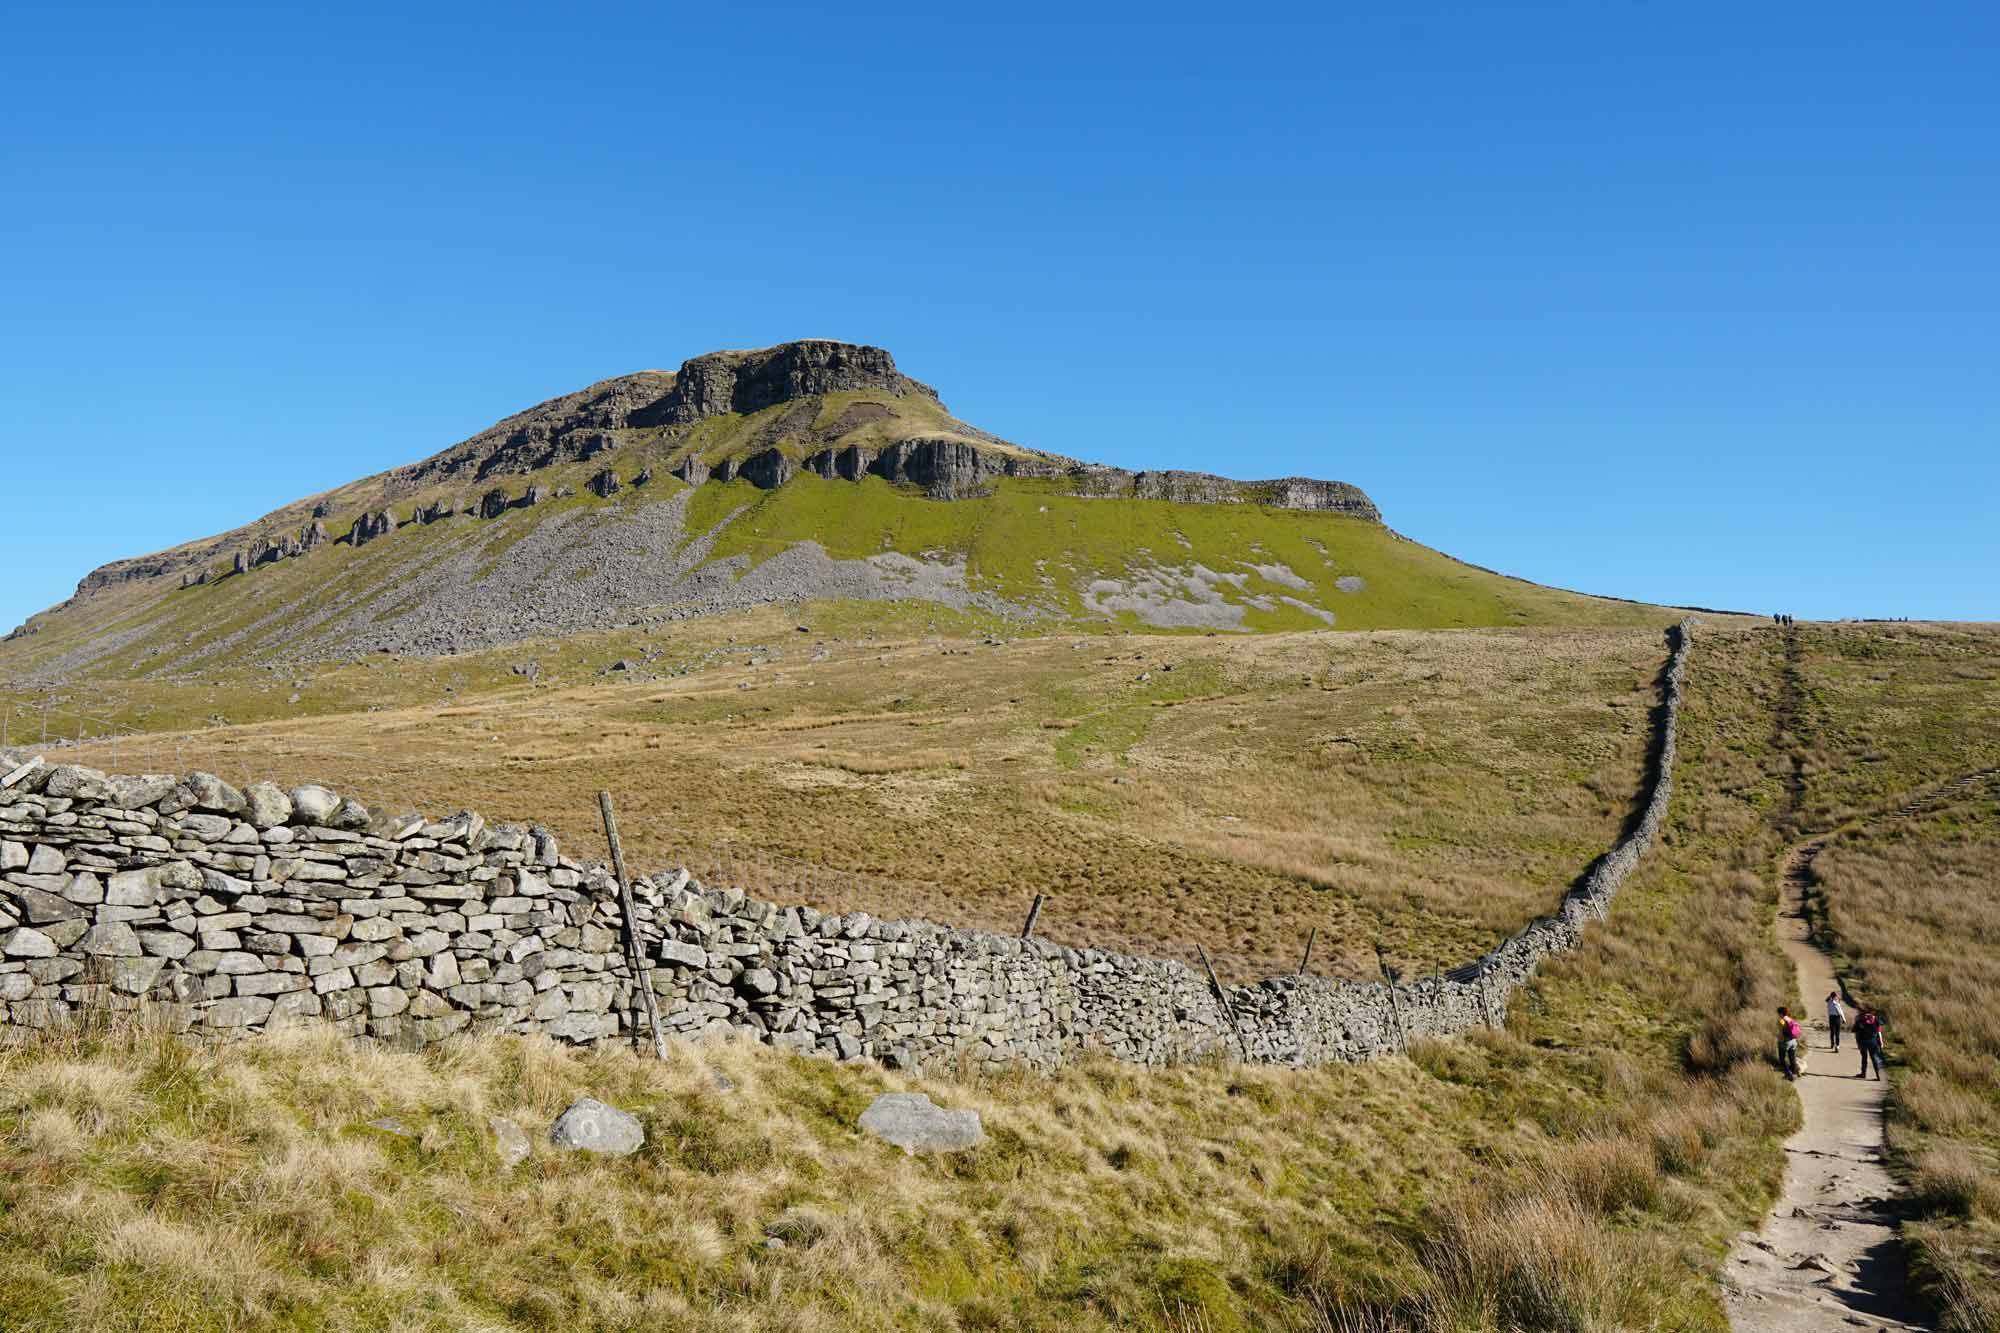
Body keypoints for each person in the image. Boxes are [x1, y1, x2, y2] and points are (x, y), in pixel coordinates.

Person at [1854, 1007, 1886, 1079]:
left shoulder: (1860, 1020)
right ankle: (1878, 1075)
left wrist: (1858, 1043)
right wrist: (1881, 1042)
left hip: (1863, 1041)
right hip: (1873, 1041)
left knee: (1864, 1058)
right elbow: (1879, 1032)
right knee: (1874, 1058)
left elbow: (1857, 1033)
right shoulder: (1876, 1019)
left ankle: (1863, 1074)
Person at [1777, 1005, 1803, 1080]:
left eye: (1778, 1013)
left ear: (1781, 1013)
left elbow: (1781, 1032)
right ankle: (1795, 1072)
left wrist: (1779, 1040)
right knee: (1792, 1058)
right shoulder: (1790, 1019)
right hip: (1794, 1041)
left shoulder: (1781, 1021)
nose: (1778, 1015)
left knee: (1782, 1059)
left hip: (1785, 1042)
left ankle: (1789, 1074)